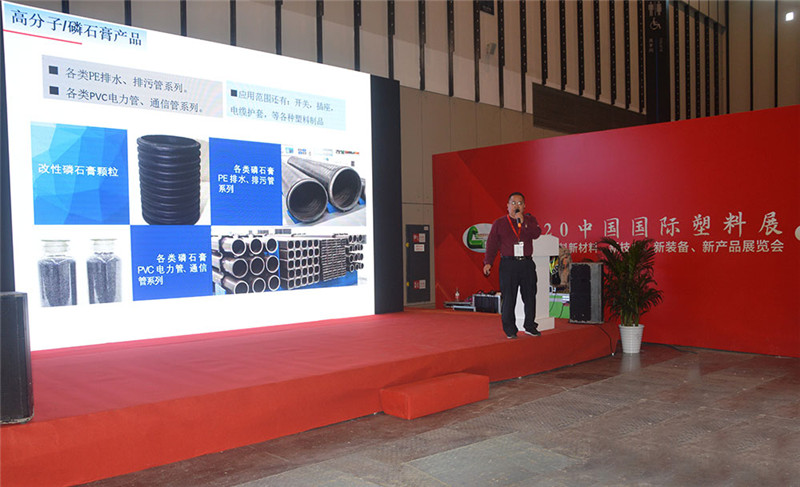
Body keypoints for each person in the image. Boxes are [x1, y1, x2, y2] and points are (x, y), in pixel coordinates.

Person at [483, 192, 543, 339]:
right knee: (509, 297)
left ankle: (530, 326)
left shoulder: (530, 220)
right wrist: (488, 262)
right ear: (508, 206)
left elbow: (536, 234)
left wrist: (523, 222)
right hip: (508, 264)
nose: (517, 206)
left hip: (526, 264)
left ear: (524, 206)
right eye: (514, 203)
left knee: (530, 296)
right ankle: (510, 329)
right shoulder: (499, 223)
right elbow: (492, 244)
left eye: (520, 203)